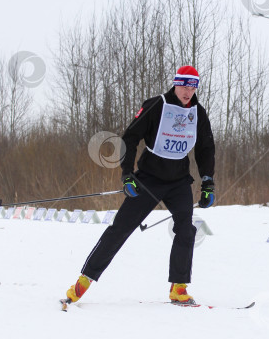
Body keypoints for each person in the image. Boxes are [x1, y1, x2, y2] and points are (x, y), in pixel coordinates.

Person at [65, 65, 215, 306]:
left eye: (193, 86)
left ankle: (179, 287)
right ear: (176, 84)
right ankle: (83, 282)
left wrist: (208, 181)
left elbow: (206, 148)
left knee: (186, 230)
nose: (188, 91)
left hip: (178, 181)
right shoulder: (156, 105)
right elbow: (130, 138)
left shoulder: (198, 113)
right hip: (149, 180)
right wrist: (127, 174)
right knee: (120, 229)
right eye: (184, 85)